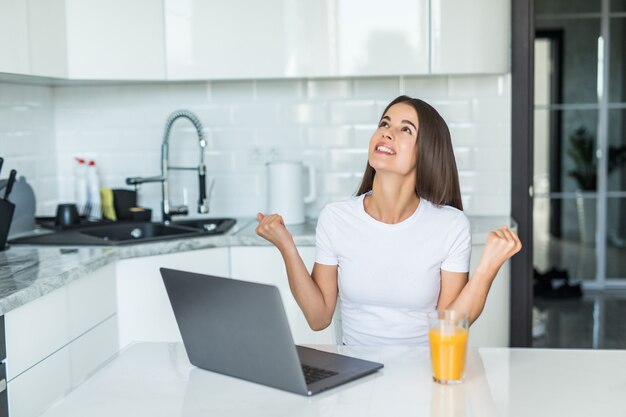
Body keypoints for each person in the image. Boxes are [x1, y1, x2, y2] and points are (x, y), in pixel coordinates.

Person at [256, 95, 521, 346]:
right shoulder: (336, 218)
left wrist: (488, 267)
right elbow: (318, 318)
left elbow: (448, 328)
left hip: (422, 369)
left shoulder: (450, 225)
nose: (387, 132)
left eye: (406, 129)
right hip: (354, 371)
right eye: (384, 123)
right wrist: (287, 248)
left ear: (427, 152)